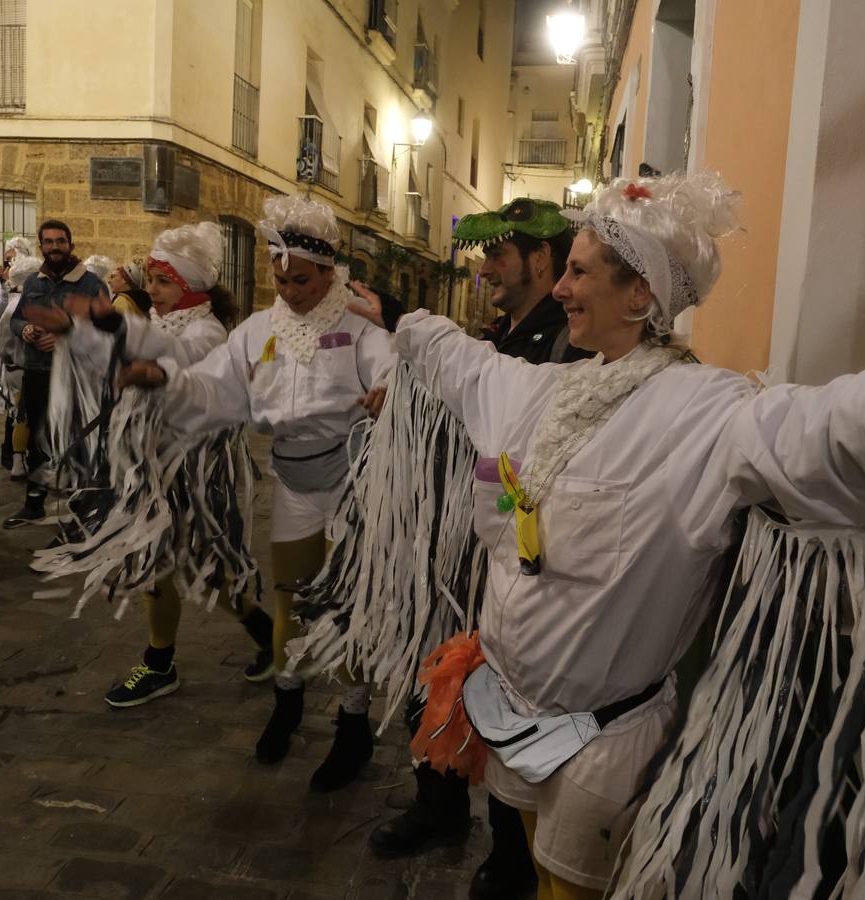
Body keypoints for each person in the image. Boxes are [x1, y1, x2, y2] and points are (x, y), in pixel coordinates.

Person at [369, 171, 865, 898]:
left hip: (604, 746)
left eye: (580, 272)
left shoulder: (705, 412)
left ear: (642, 294)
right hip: (512, 716)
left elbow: (814, 428)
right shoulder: (542, 390)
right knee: (534, 866)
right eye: (565, 270)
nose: (560, 288)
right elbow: (459, 364)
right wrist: (401, 321)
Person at [115, 194, 396, 792]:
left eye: (302, 279)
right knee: (291, 596)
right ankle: (288, 702)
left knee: (348, 601)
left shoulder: (358, 325)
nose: (289, 289)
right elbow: (218, 386)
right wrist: (165, 379)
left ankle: (352, 723)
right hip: (293, 479)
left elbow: (394, 372)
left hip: (352, 480)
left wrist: (387, 394)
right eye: (280, 277)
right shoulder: (259, 330)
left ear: (329, 271)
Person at [367, 198, 591, 900]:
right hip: (466, 539)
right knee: (443, 672)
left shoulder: (567, 345)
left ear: (541, 260)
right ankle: (439, 809)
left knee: (504, 695)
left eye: (498, 255)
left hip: (520, 554)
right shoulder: (509, 330)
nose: (485, 269)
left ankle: (509, 852)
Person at [29, 221, 274, 698]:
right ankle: (167, 658)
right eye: (153, 279)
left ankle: (250, 640)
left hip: (192, 466)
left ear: (190, 285)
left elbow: (170, 356)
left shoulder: (206, 331)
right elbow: (122, 358)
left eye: (163, 281)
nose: (152, 289)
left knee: (199, 563)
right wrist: (77, 334)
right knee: (158, 559)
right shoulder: (165, 320)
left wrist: (113, 323)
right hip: (154, 461)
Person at [4, 219, 105, 529]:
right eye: (48, 242)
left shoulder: (90, 284)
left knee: (75, 441)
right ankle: (34, 504)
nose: (54, 247)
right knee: (37, 439)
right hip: (37, 372)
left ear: (70, 245)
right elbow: (16, 320)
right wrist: (26, 330)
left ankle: (80, 511)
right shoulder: (34, 283)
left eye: (60, 241)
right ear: (42, 246)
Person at [0, 236, 34, 476]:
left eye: (16, 261)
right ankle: (13, 456)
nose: (11, 266)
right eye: (8, 260)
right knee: (16, 411)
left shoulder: (34, 295)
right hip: (10, 360)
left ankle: (22, 457)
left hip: (29, 363)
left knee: (26, 411)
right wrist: (4, 290)